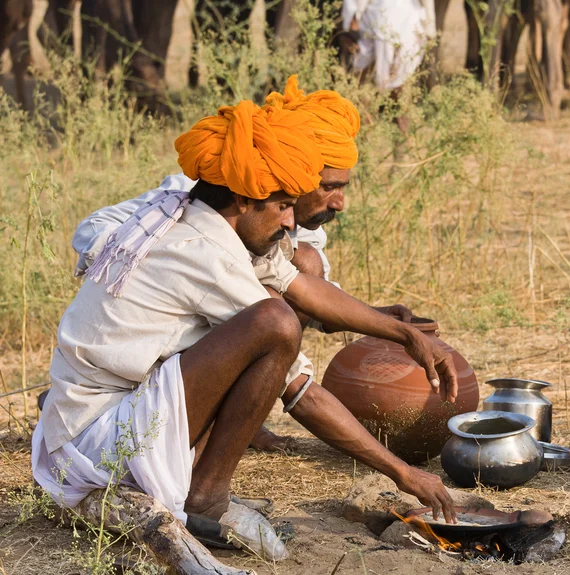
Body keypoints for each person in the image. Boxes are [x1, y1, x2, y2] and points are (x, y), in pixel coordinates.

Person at [33, 95, 457, 549]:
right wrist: (403, 472)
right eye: (283, 206)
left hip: (85, 432)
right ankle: (206, 498)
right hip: (100, 447)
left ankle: (200, 486)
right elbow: (300, 391)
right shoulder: (202, 251)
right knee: (274, 322)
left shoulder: (194, 213)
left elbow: (300, 283)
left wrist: (404, 333)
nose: (291, 220)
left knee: (273, 309)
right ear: (242, 199)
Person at [70, 75, 415, 452]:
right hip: (117, 403)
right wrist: (139, 263)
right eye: (329, 186)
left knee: (302, 269)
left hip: (192, 335)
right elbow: (96, 229)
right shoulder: (200, 206)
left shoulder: (285, 227)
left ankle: (243, 416)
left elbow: (307, 294)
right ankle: (218, 446)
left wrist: (394, 329)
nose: (339, 203)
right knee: (268, 310)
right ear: (292, 175)